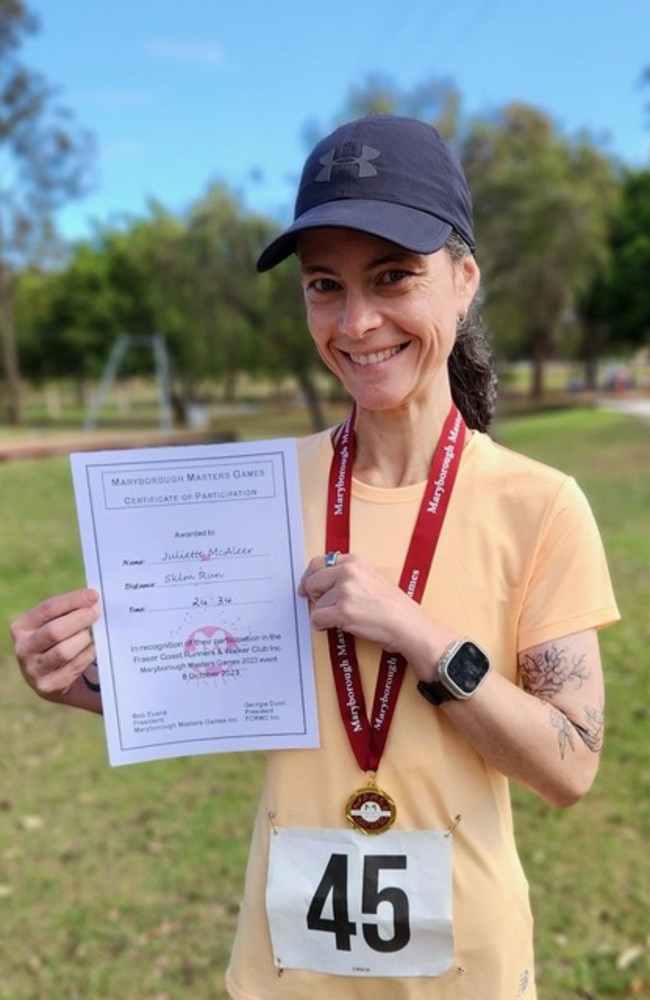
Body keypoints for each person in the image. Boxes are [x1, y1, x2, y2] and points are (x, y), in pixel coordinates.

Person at [10, 114, 619, 999]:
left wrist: (421, 636)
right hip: (284, 973)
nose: (358, 320)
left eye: (393, 276)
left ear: (464, 279)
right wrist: (86, 683)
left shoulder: (541, 505)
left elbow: (571, 765)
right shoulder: (251, 491)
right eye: (324, 285)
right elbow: (224, 682)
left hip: (469, 974)